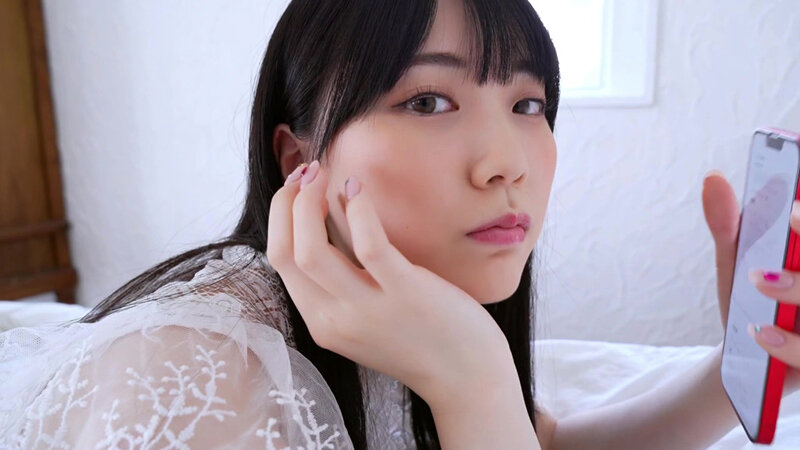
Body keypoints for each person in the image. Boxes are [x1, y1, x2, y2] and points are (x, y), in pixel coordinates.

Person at [3, 0, 800, 448]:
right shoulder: (199, 381)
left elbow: (538, 442)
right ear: (300, 158)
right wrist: (471, 380)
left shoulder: (403, 305)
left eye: (527, 103)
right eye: (427, 101)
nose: (505, 163)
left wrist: (735, 373)